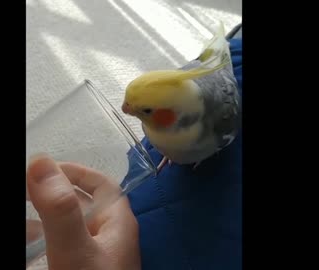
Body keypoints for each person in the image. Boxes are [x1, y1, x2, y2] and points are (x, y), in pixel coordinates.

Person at [27, 28, 242, 270]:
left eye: (145, 111)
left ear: (174, 114)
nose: (125, 109)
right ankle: (233, 45)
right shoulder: (168, 107)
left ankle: (233, 46)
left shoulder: (218, 120)